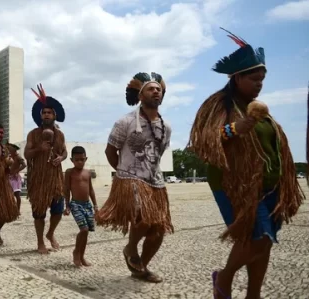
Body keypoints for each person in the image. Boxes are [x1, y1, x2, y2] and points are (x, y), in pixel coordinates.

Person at [187, 28, 305, 299]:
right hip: (235, 186)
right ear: (237, 77)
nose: (259, 84)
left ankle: (254, 294)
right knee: (257, 239)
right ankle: (223, 279)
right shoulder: (217, 105)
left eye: (262, 79)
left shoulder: (260, 110)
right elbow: (203, 142)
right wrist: (234, 129)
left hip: (269, 186)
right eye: (254, 79)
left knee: (266, 244)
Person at [96, 72, 173, 283]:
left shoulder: (166, 127)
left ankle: (141, 268)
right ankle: (130, 248)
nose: (156, 91)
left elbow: (158, 155)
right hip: (129, 179)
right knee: (144, 218)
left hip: (155, 182)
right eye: (150, 88)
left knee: (158, 230)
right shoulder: (125, 121)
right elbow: (110, 152)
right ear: (140, 95)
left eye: (158, 88)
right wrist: (124, 172)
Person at [24, 84, 67, 254]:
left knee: (57, 211)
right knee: (39, 214)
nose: (46, 115)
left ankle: (50, 233)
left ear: (54, 115)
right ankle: (40, 242)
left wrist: (61, 157)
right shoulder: (33, 134)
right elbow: (27, 154)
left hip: (55, 178)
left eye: (49, 112)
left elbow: (64, 151)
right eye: (44, 112)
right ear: (41, 116)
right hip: (39, 179)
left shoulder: (60, 134)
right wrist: (38, 149)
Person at [63, 146, 98, 267]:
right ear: (72, 160)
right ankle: (76, 253)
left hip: (87, 205)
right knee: (84, 229)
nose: (80, 162)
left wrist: (96, 206)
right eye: (77, 160)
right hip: (75, 204)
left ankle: (82, 256)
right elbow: (66, 190)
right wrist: (67, 206)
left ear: (86, 158)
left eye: (82, 159)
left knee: (86, 233)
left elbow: (91, 190)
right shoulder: (69, 172)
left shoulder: (88, 173)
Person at [7, 142, 26, 216]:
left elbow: (24, 165)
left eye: (10, 148)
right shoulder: (9, 157)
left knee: (17, 195)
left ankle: (18, 210)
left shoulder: (18, 157)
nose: (9, 149)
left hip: (15, 178)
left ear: (14, 150)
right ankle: (11, 209)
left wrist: (16, 171)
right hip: (9, 177)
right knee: (9, 194)